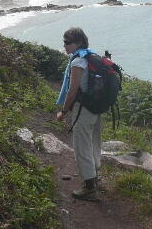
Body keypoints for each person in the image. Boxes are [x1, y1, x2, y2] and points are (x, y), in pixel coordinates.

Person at [56, 27, 102, 202]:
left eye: (68, 42)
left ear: (78, 43)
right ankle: (95, 177)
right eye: (64, 42)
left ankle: (90, 188)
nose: (65, 45)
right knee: (94, 143)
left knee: (82, 147)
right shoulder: (91, 56)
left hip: (83, 109)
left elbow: (72, 90)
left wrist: (64, 111)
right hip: (97, 108)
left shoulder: (77, 62)